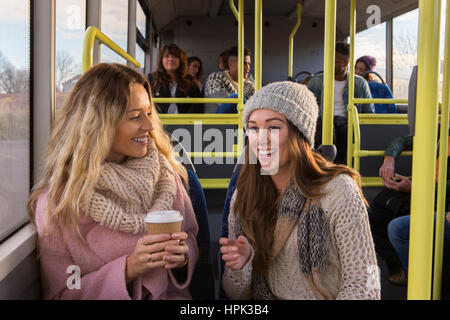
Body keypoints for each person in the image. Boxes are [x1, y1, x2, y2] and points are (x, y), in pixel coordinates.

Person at [27, 63, 199, 300]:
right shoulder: (59, 202)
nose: (149, 126)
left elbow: (189, 235)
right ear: (99, 126)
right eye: (135, 117)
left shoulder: (166, 175)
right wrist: (127, 270)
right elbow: (64, 290)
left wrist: (183, 257)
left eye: (149, 113)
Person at [220, 81, 380, 300]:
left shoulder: (338, 191)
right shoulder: (245, 194)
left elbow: (365, 284)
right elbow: (235, 293)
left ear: (299, 134)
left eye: (273, 127)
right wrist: (242, 265)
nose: (261, 139)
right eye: (254, 128)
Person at [372, 134, 450, 285]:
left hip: (442, 197)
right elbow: (402, 140)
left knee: (399, 227)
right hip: (428, 187)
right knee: (377, 209)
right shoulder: (441, 133)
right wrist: (389, 158)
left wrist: (417, 188)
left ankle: (421, 279)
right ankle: (399, 267)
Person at [307, 42, 374, 164]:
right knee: (326, 127)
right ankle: (325, 167)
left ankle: (341, 168)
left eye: (335, 61)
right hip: (323, 121)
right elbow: (306, 109)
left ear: (346, 63)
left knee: (348, 131)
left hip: (347, 123)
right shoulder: (316, 82)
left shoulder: (359, 84)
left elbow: (369, 113)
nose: (330, 63)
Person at [148, 43, 203, 114]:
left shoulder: (190, 81)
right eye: (167, 56)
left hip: (184, 122)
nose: (170, 59)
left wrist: (186, 123)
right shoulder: (152, 79)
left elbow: (197, 106)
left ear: (180, 60)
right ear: (161, 60)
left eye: (175, 57)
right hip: (159, 122)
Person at [204, 46, 255, 113]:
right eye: (244, 63)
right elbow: (223, 102)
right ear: (231, 64)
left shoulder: (250, 85)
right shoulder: (216, 77)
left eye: (249, 64)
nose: (248, 67)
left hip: (240, 120)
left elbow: (252, 108)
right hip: (216, 120)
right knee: (235, 98)